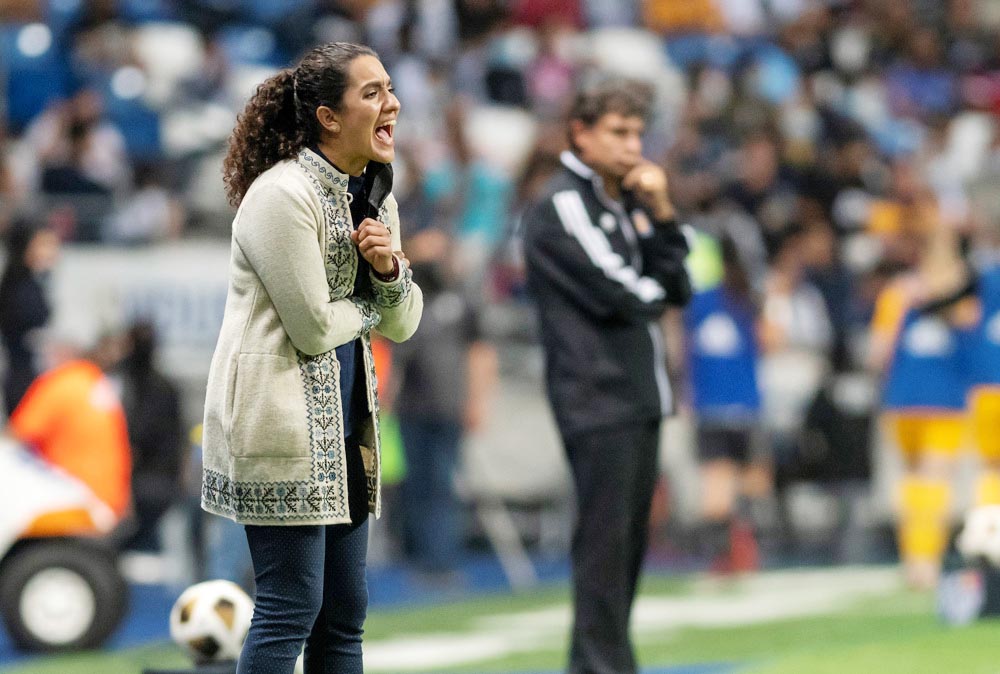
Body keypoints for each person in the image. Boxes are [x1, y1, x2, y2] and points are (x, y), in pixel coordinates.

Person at [200, 43, 423, 674]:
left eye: (391, 87)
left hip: (348, 428)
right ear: (329, 116)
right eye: (372, 92)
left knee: (344, 612)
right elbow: (313, 327)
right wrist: (380, 298)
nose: (393, 103)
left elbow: (407, 321)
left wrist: (385, 269)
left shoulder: (378, 195)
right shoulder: (281, 195)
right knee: (290, 604)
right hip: (278, 424)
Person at [522, 79, 691, 674]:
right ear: (581, 133)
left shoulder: (625, 202)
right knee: (603, 546)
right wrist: (660, 283)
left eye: (638, 133)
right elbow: (632, 293)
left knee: (628, 549)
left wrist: (664, 214)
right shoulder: (562, 203)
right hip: (597, 396)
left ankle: (602, 663)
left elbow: (681, 287)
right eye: (618, 132)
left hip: (638, 393)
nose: (632, 145)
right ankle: (602, 665)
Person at [392, 226, 497, 581]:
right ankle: (421, 560)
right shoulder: (408, 299)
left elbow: (480, 351)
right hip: (412, 406)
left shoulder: (462, 300)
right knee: (416, 485)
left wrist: (478, 400)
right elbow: (394, 351)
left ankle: (444, 561)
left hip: (450, 404)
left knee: (442, 483)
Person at [682, 234, 764, 574]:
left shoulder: (697, 303)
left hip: (710, 405)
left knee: (716, 485)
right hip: (745, 403)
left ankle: (723, 556)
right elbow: (770, 341)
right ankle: (745, 548)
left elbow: (681, 350)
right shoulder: (745, 300)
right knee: (751, 481)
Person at [7, 329, 131, 527]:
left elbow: (14, 438)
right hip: (109, 499)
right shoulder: (95, 382)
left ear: (65, 352)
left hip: (77, 499)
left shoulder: (61, 383)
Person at [117, 321, 185, 552]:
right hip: (149, 482)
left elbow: (142, 432)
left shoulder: (147, 386)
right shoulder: (123, 381)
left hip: (149, 482)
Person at [0, 220, 60, 416]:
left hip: (30, 376)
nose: (51, 251)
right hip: (22, 378)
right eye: (43, 244)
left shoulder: (30, 285)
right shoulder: (19, 290)